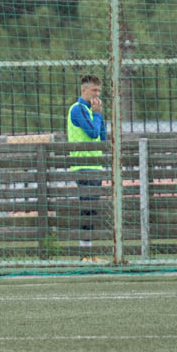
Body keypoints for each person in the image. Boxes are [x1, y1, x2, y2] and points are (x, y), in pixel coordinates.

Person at [68, 74, 107, 253]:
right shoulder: (78, 109)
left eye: (99, 90)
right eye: (94, 90)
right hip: (83, 166)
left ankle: (88, 252)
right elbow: (92, 133)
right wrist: (97, 115)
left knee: (92, 209)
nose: (97, 94)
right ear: (84, 90)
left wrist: (100, 116)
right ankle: (84, 253)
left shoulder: (92, 110)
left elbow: (102, 137)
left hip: (95, 165)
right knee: (87, 208)